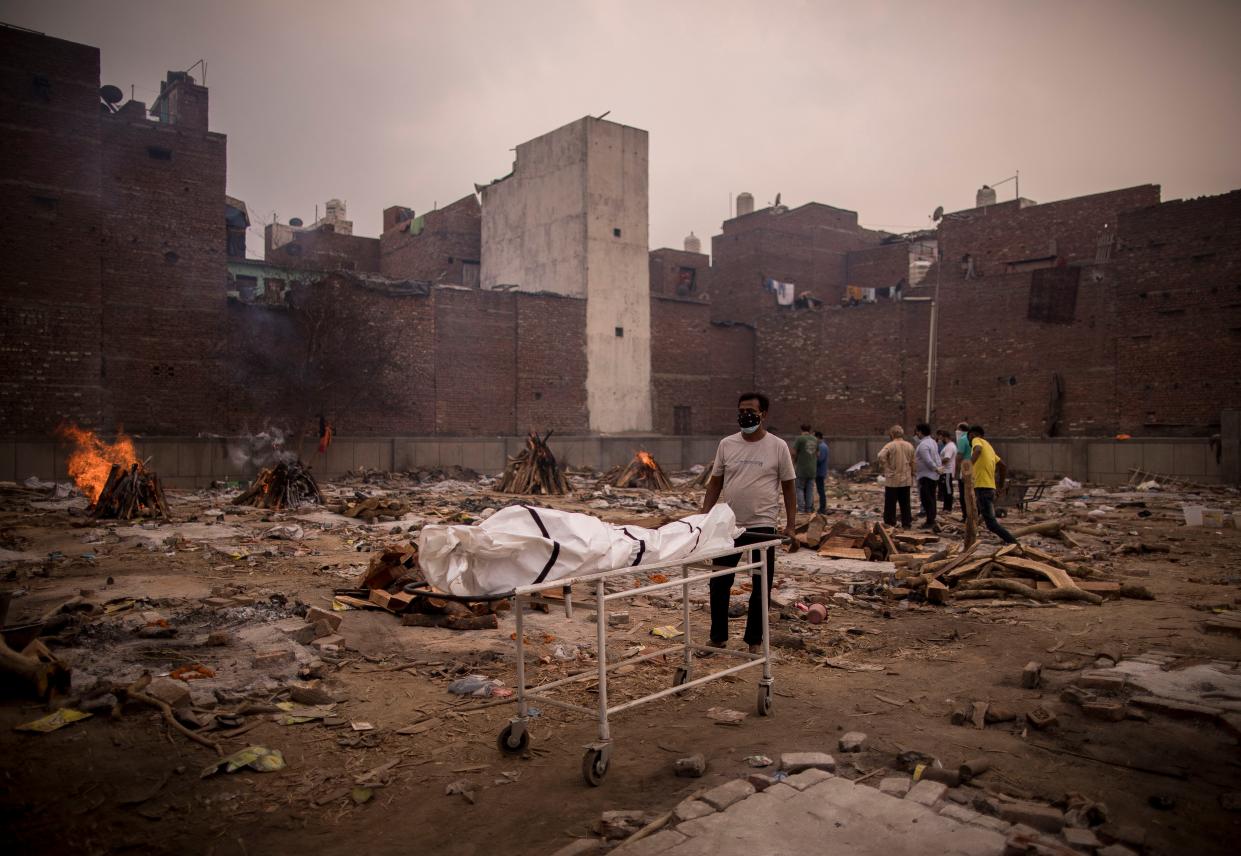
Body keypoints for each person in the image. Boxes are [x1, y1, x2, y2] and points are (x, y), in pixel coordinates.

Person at [702, 392, 799, 653]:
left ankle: (754, 641)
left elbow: (789, 488)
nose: (745, 415)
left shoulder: (778, 447)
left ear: (763, 414)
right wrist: (703, 518)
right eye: (741, 410)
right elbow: (715, 483)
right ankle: (718, 637)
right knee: (719, 581)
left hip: (763, 525)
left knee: (760, 585)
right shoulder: (727, 444)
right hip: (729, 525)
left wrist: (791, 524)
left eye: (751, 411)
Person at [968, 425, 1018, 544]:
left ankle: (1013, 543)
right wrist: (1000, 486)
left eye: (969, 438)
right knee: (975, 515)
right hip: (989, 488)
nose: (970, 441)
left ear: (972, 435)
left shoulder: (977, 440)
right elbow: (1003, 466)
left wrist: (968, 466)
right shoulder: (989, 447)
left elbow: (978, 450)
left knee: (991, 524)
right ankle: (970, 539)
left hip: (982, 487)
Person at [876, 424, 915, 528]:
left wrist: (887, 466)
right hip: (906, 478)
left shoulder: (890, 445)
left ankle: (889, 523)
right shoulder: (909, 445)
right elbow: (913, 461)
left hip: (893, 479)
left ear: (892, 434)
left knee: (890, 503)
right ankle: (906, 523)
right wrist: (913, 473)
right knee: (905, 503)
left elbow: (880, 456)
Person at [913, 423, 940, 530]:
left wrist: (935, 468)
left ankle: (930, 521)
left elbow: (928, 460)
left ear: (920, 432)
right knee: (931, 498)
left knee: (926, 499)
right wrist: (938, 468)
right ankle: (931, 519)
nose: (916, 434)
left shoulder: (923, 445)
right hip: (932, 475)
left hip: (926, 476)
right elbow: (936, 457)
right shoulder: (932, 442)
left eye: (917, 432)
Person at [792, 424, 817, 514]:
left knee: (799, 488)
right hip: (812, 469)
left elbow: (794, 452)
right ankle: (809, 509)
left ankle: (801, 509)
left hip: (801, 469)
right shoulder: (815, 439)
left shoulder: (800, 439)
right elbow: (818, 454)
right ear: (810, 430)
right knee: (810, 490)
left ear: (801, 429)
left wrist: (794, 461)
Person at [954, 421, 971, 517]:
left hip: (965, 469)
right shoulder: (973, 439)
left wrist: (956, 472)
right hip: (974, 469)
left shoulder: (962, 439)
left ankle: (966, 515)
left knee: (963, 495)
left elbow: (959, 457)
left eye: (957, 429)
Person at [937, 429, 956, 512]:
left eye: (942, 438)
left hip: (947, 472)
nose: (941, 440)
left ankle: (948, 508)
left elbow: (947, 459)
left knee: (948, 489)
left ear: (946, 437)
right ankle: (946, 507)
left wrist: (936, 463)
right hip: (945, 471)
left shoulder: (949, 447)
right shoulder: (949, 446)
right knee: (946, 490)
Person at [814, 431, 830, 514]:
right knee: (820, 490)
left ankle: (822, 508)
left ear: (818, 437)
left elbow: (820, 459)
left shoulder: (822, 447)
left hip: (820, 472)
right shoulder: (823, 446)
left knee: (821, 490)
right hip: (821, 471)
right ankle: (822, 507)